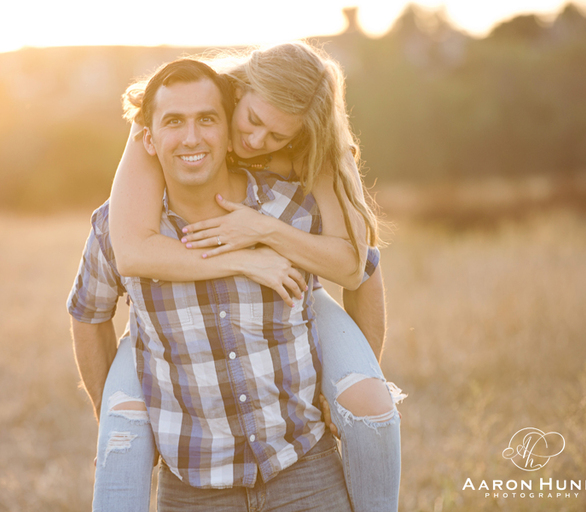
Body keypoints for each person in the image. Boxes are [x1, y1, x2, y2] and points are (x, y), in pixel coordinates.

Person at [93, 42, 404, 512]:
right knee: (124, 430)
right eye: (253, 120)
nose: (257, 142)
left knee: (371, 407)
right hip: (181, 296)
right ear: (240, 89)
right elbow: (133, 249)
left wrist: (263, 231)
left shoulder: (316, 148)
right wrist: (244, 258)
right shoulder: (180, 112)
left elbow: (356, 264)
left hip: (292, 284)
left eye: (277, 136)